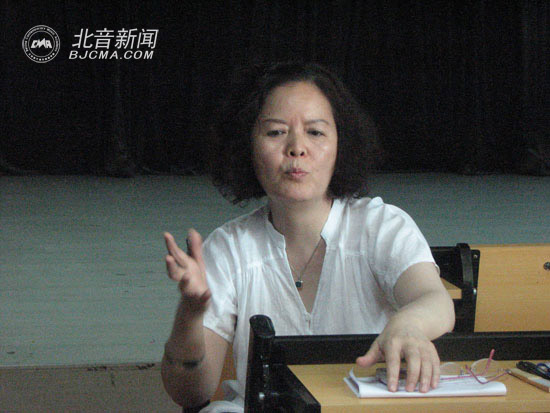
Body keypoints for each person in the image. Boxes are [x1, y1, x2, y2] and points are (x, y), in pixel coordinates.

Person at [161, 62, 455, 412]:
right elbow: (190, 394)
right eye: (275, 132)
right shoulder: (229, 248)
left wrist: (408, 324)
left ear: (341, 144)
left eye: (315, 132)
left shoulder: (381, 226)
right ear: (247, 146)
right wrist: (191, 315)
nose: (296, 148)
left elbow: (434, 300)